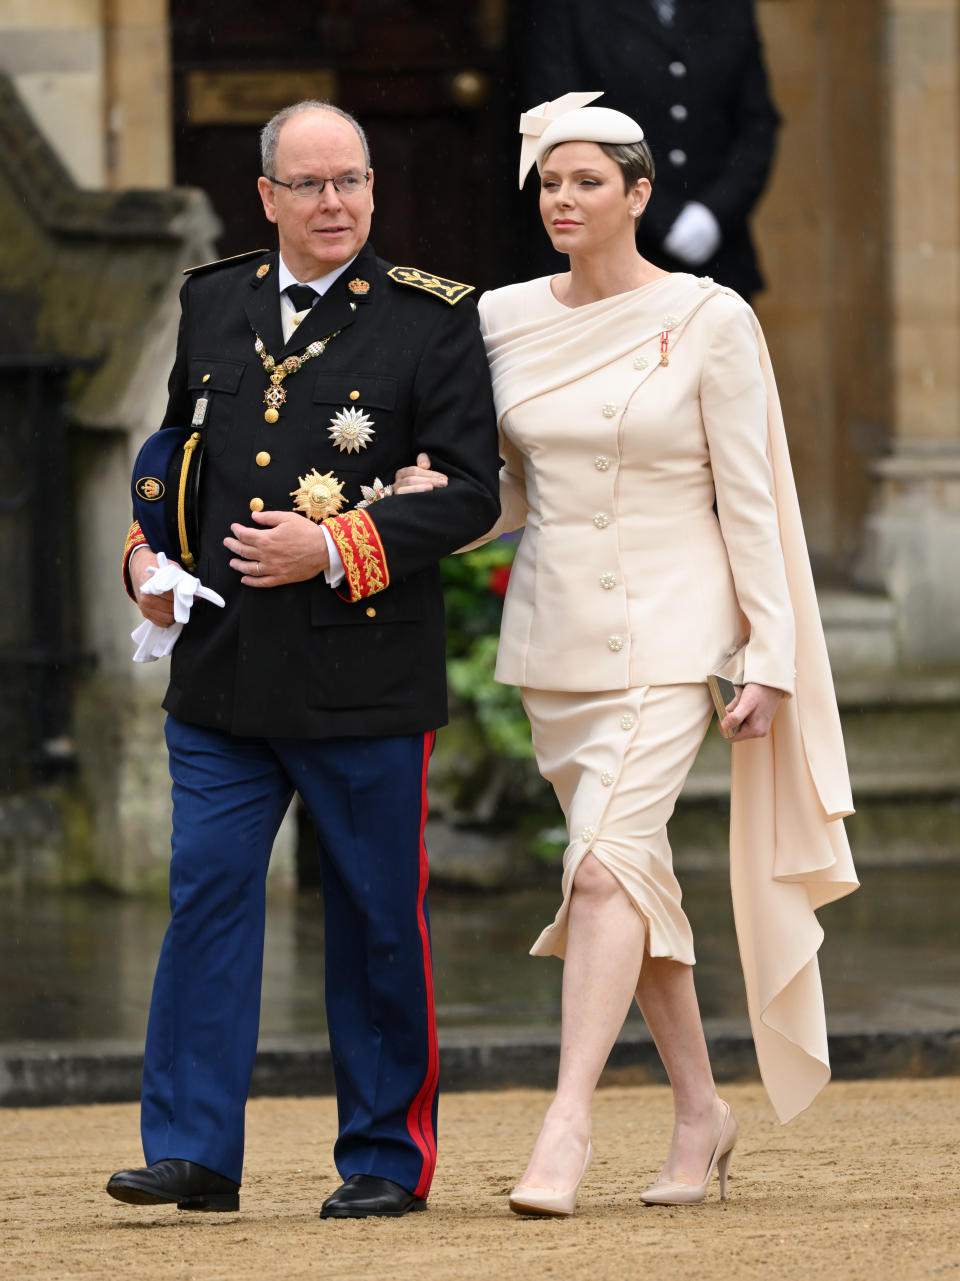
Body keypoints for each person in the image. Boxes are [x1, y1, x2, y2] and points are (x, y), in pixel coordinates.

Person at [397, 94, 857, 1216]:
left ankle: (569, 1123)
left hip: (675, 629)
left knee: (601, 867)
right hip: (556, 640)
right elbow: (507, 493)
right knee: (629, 881)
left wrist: (770, 650)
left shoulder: (710, 318)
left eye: (588, 182)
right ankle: (701, 1109)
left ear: (639, 194)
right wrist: (427, 507)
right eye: (550, 182)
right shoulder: (499, 319)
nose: (564, 199)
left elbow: (751, 499)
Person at [106, 100, 500, 1219]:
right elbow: (175, 452)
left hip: (364, 675)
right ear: (267, 197)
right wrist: (143, 557)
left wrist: (333, 546)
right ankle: (192, 1149)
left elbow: (471, 492)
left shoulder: (432, 321)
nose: (336, 204)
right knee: (208, 898)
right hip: (223, 670)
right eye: (312, 185)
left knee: (376, 917)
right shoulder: (210, 299)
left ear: (374, 188)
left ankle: (384, 1156)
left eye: (353, 182)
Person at [520, 0, 780, 300]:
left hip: (717, 257)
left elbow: (757, 123)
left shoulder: (730, 7)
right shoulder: (569, 8)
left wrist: (713, 212)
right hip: (602, 258)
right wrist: (661, 217)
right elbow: (561, 121)